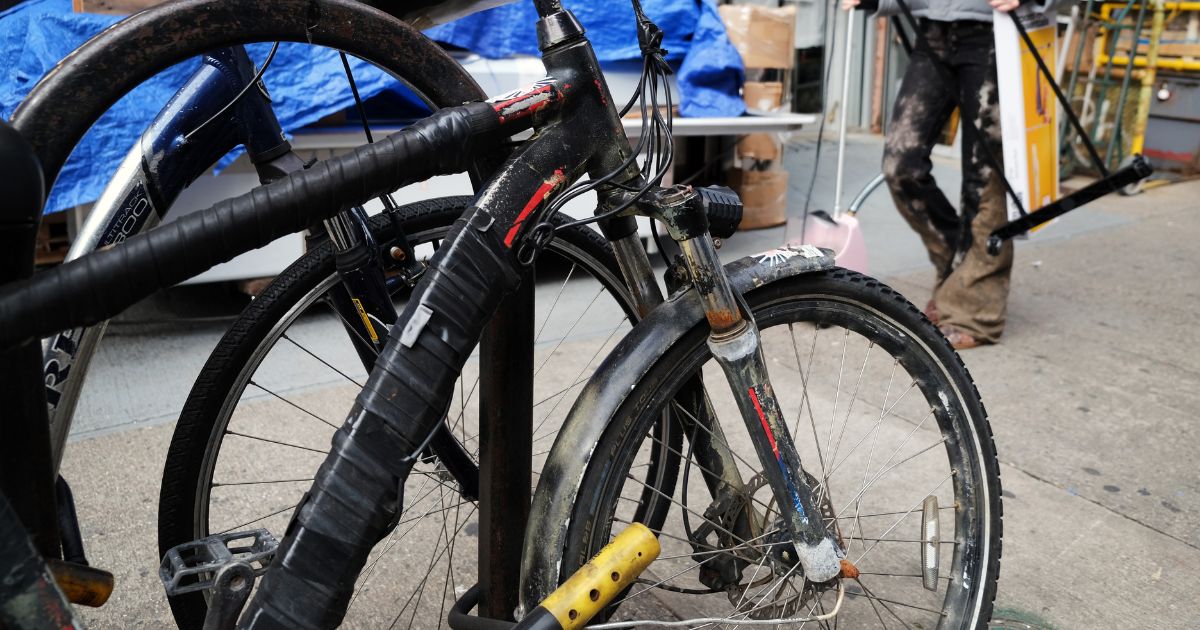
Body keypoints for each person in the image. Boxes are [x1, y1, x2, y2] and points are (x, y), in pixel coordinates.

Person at [843, 0, 1026, 349]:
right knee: (900, 165)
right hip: (932, 29)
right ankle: (958, 272)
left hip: (994, 30)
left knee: (985, 177)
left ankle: (975, 309)